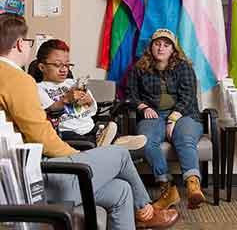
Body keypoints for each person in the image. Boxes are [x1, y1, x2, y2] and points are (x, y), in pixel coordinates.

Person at [0, 13, 178, 230]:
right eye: (28, 42)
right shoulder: (18, 80)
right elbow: (41, 136)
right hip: (34, 179)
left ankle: (142, 210)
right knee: (120, 154)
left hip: (27, 173)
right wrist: (80, 158)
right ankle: (145, 211)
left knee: (121, 190)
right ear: (19, 44)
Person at [125, 28, 205, 210]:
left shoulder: (183, 66)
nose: (161, 48)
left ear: (173, 50)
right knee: (146, 142)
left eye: (166, 45)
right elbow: (130, 94)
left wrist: (173, 118)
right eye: (157, 44)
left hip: (184, 114)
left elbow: (188, 96)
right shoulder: (139, 68)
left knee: (184, 139)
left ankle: (193, 186)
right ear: (151, 47)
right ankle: (167, 189)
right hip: (153, 114)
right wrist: (143, 106)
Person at [28, 39, 147, 150]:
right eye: (58, 65)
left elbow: (93, 111)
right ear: (42, 67)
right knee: (82, 138)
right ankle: (110, 144)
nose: (64, 69)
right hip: (66, 131)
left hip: (90, 127)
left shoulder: (73, 83)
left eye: (67, 65)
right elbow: (49, 111)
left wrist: (88, 101)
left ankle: (112, 141)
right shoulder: (38, 88)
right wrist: (66, 100)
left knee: (107, 128)